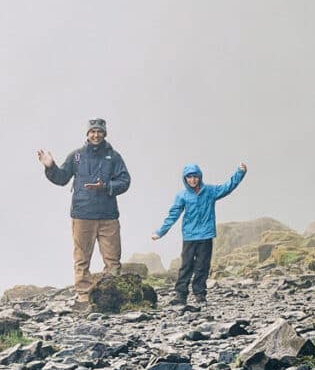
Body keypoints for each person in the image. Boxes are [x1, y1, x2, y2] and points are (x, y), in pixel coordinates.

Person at [38, 119, 131, 304]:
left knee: (113, 259)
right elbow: (62, 178)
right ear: (87, 134)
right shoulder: (77, 156)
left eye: (99, 132)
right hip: (82, 215)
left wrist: (105, 186)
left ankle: (110, 294)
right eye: (92, 132)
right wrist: (50, 166)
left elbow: (125, 181)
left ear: (104, 134)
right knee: (81, 258)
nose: (96, 135)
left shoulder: (114, 157)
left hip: (108, 216)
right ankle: (83, 294)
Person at [151, 161, 247, 304]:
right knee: (186, 266)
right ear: (185, 179)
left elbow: (228, 187)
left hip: (206, 235)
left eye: (195, 176)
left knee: (202, 266)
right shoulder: (182, 196)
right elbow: (173, 215)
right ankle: (180, 295)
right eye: (189, 177)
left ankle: (200, 294)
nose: (192, 180)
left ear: (200, 177)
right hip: (189, 236)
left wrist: (240, 172)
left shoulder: (210, 191)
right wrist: (160, 232)